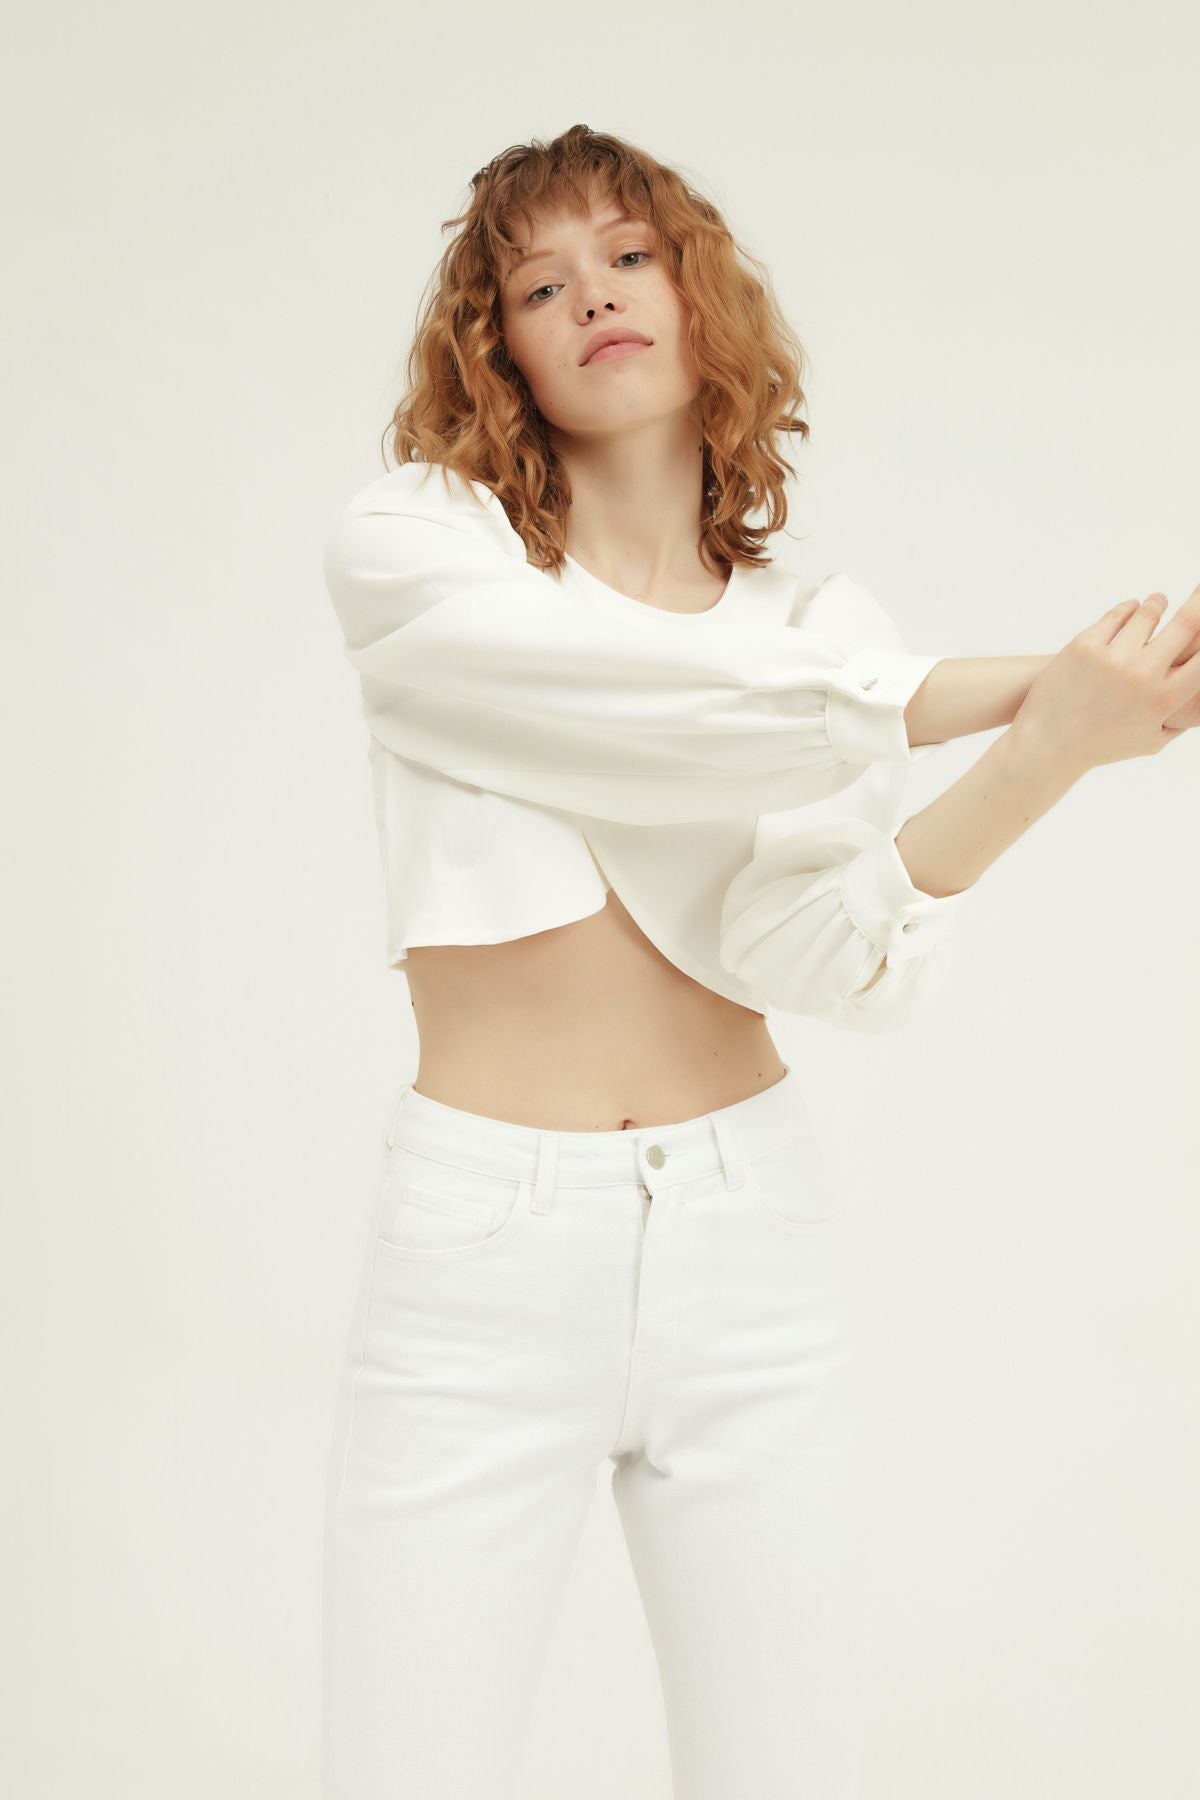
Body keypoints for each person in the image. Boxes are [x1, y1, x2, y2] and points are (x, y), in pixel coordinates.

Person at [318, 124, 1200, 1800]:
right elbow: (660, 709)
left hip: (750, 1242)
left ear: (696, 293)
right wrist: (1010, 687)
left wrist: (1054, 751)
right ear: (496, 351)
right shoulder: (418, 550)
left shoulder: (819, 627)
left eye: (627, 256)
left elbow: (824, 957)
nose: (592, 298)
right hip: (485, 1253)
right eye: (538, 286)